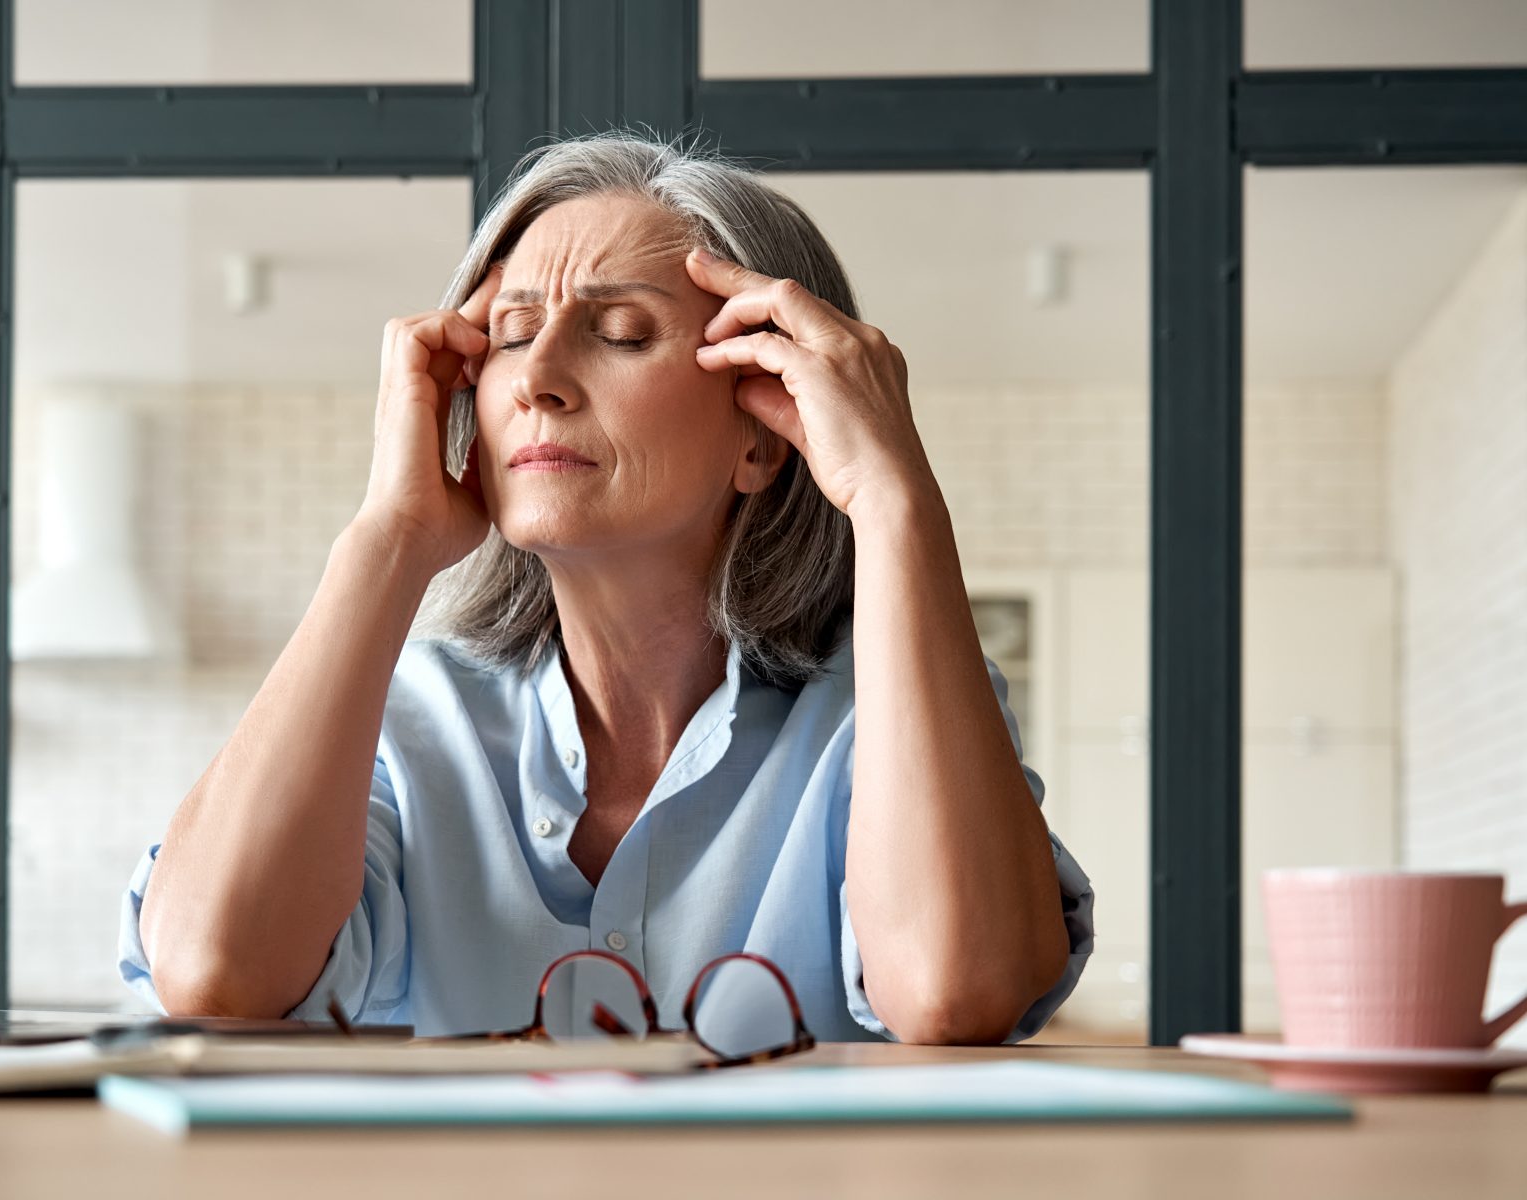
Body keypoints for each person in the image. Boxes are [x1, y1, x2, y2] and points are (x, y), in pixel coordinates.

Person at [117, 129, 1095, 1045]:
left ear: (769, 429)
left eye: (622, 333)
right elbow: (214, 975)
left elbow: (959, 992)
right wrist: (386, 540)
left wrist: (894, 504)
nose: (536, 377)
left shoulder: (882, 718)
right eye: (507, 334)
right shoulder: (402, 722)